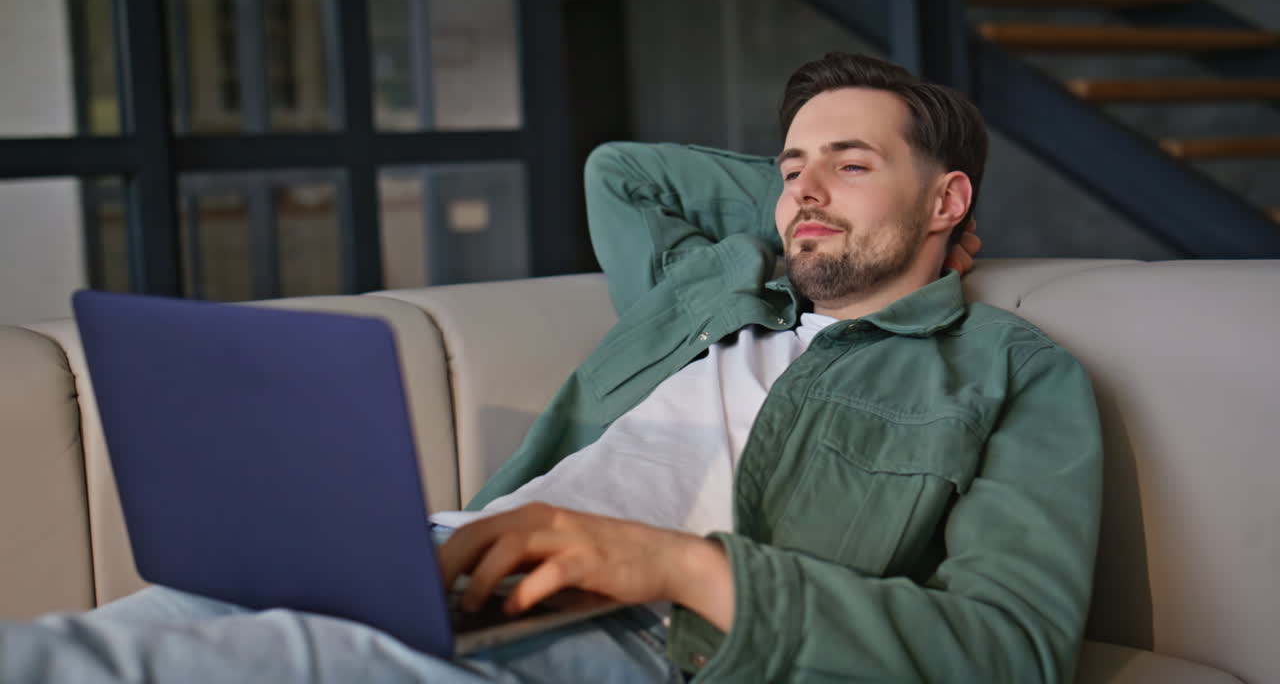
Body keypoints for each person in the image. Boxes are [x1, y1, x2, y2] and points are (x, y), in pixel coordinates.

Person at [0, 52, 1102, 683]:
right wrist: (829, 206)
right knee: (100, 633)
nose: (801, 192)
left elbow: (1009, 650)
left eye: (848, 164)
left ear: (949, 197)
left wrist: (669, 565)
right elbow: (623, 173)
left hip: (637, 629)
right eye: (787, 169)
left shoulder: (1006, 370)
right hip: (442, 552)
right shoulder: (718, 289)